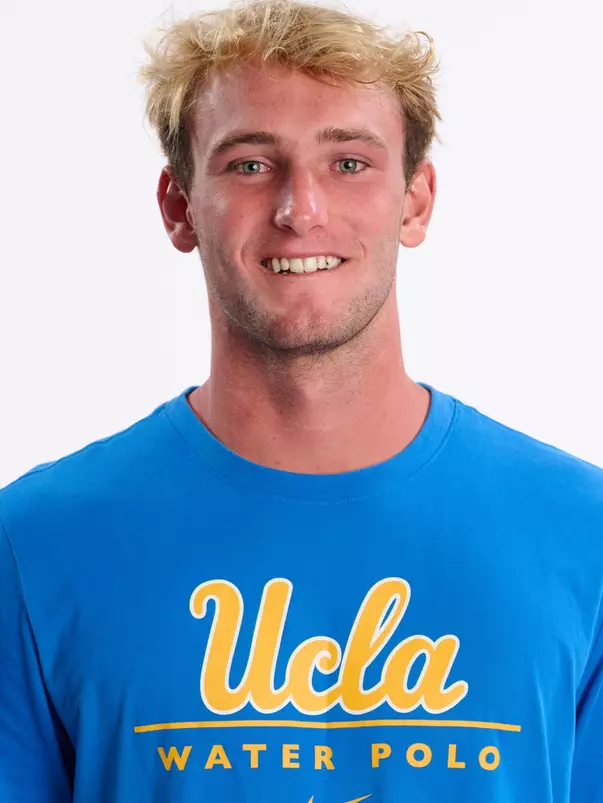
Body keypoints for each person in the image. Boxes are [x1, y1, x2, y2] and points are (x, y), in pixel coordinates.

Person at [1, 0, 602, 800]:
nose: (299, 210)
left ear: (415, 201)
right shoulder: (34, 544)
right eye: (249, 164)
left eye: (348, 163)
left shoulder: (580, 534)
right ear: (179, 206)